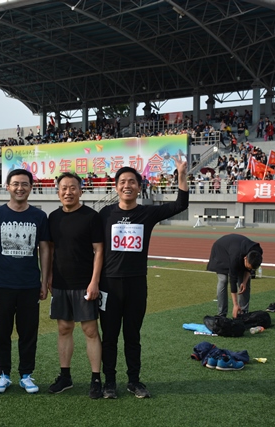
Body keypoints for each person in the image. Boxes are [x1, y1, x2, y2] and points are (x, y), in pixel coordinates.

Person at [99, 152, 188, 400]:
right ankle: (109, 382)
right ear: (116, 187)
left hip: (136, 284)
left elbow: (180, 205)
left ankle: (134, 381)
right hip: (109, 285)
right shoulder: (105, 214)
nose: (127, 185)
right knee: (109, 338)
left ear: (140, 187)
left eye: (132, 182)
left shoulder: (147, 213)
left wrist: (181, 175)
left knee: (132, 336)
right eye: (122, 182)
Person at [0, 169, 50, 394]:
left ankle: (26, 375)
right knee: (1, 333)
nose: (20, 188)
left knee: (28, 333)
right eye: (15, 184)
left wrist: (44, 281)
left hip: (29, 285)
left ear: (31, 187)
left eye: (24, 184)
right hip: (1, 285)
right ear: (7, 186)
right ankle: (3, 374)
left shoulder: (39, 216)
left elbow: (44, 249)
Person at [47, 172, 104, 399]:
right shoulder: (53, 217)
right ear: (58, 192)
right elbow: (51, 249)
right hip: (61, 283)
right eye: (64, 188)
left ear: (81, 191)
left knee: (90, 330)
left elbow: (99, 250)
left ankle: (96, 379)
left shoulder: (91, 216)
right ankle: (65, 377)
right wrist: (49, 276)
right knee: (64, 328)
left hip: (84, 284)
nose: (68, 192)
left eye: (72, 188)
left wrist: (94, 281)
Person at [207, 234, 263, 319]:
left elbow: (249, 269)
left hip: (236, 248)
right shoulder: (236, 256)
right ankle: (221, 314)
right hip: (221, 250)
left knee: (245, 281)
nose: (249, 269)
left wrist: (244, 282)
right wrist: (235, 305)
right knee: (223, 280)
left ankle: (243, 312)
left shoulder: (258, 252)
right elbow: (233, 280)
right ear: (245, 258)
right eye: (248, 267)